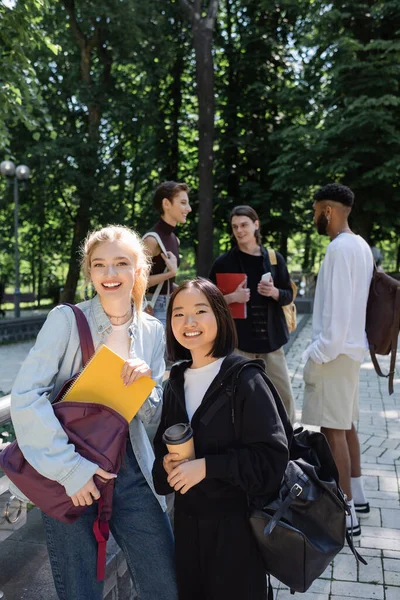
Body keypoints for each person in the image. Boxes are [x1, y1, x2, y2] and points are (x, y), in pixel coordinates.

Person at [10, 225, 178, 600]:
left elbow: (151, 421)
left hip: (133, 474)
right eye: (99, 265)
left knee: (165, 585)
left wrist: (147, 384)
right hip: (71, 474)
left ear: (139, 270)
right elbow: (25, 396)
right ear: (90, 272)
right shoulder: (67, 321)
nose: (110, 274)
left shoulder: (152, 330)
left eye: (121, 263)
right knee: (81, 592)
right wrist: (71, 470)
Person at [152, 278, 291, 600]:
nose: (189, 322)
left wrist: (207, 467)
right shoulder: (175, 381)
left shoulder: (246, 379)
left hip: (237, 532)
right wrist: (168, 463)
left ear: (220, 316)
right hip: (187, 530)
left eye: (200, 311)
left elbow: (272, 462)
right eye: (178, 314)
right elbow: (161, 465)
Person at [301, 183, 374, 537]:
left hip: (336, 351)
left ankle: (346, 515)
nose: (315, 217)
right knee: (345, 425)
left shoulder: (340, 249)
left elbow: (340, 310)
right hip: (350, 350)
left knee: (333, 431)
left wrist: (318, 352)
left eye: (316, 211)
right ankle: (357, 497)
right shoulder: (360, 246)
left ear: (328, 210)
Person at [209, 205, 296, 423]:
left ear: (256, 225)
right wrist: (232, 298)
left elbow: (288, 295)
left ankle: (290, 443)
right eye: (235, 226)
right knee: (241, 401)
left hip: (272, 342)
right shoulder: (223, 262)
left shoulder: (275, 259)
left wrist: (275, 292)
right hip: (240, 345)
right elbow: (207, 301)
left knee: (284, 399)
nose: (239, 230)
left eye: (244, 225)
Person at [143, 181, 191, 327]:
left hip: (170, 305)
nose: (188, 209)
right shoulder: (151, 240)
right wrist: (169, 274)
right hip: (152, 308)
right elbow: (136, 281)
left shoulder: (174, 240)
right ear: (166, 204)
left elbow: (165, 284)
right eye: (183, 203)